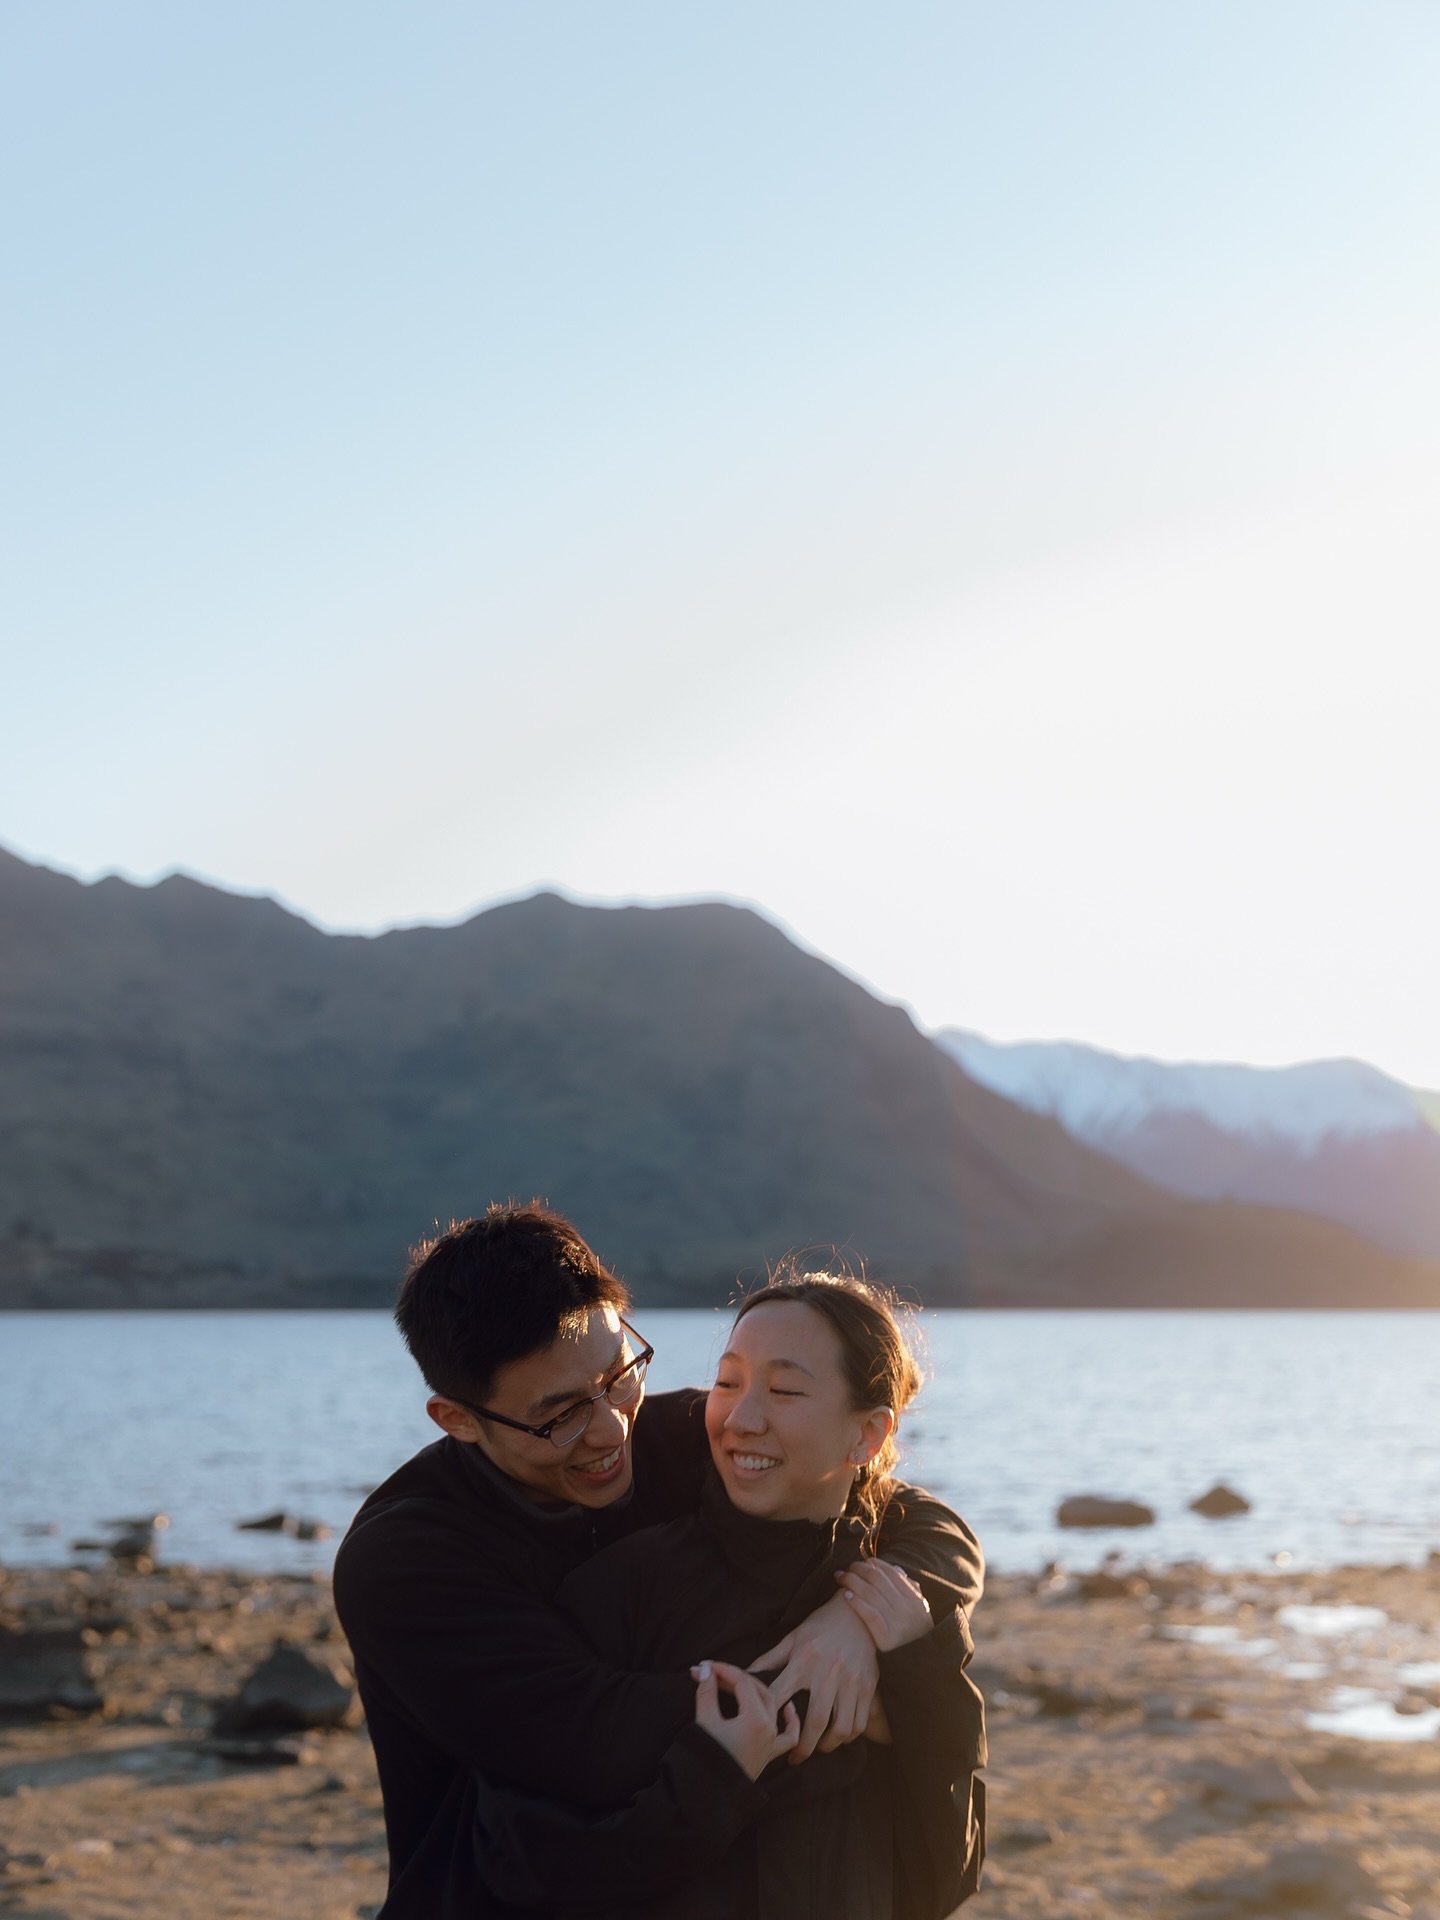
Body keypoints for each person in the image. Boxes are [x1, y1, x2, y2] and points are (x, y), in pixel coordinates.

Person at [334, 1203, 984, 1920]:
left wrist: (854, 1624)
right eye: (560, 1415)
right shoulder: (405, 1560)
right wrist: (879, 1701)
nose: (611, 1430)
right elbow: (595, 1736)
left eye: (620, 1373)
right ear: (458, 1418)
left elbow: (918, 1516)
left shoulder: (680, 1434)